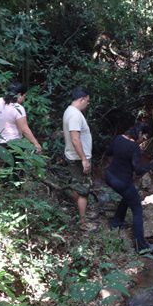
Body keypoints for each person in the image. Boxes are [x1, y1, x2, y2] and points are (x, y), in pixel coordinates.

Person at [106, 122, 153, 254]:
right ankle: (142, 246)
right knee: (137, 210)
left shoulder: (118, 138)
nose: (143, 140)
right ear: (139, 133)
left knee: (128, 196)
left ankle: (116, 222)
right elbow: (138, 170)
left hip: (109, 176)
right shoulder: (134, 147)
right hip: (122, 182)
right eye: (144, 137)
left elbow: (109, 152)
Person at [0, 82, 42, 153]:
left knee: (3, 163)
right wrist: (36, 143)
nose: (23, 99)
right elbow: (24, 129)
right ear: (19, 95)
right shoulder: (18, 109)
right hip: (14, 144)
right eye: (24, 96)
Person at [63, 87, 93, 231]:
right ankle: (83, 223)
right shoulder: (75, 115)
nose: (88, 103)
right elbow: (75, 139)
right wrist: (84, 159)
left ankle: (80, 214)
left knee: (78, 186)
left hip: (73, 156)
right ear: (81, 99)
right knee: (83, 190)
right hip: (77, 158)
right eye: (87, 101)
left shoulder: (69, 111)